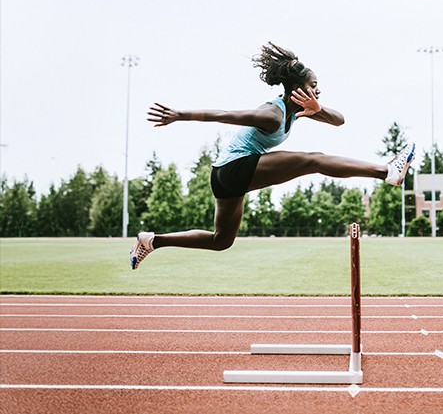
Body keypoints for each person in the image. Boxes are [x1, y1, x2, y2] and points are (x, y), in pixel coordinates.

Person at [130, 42, 414, 270]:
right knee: (312, 159)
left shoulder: (298, 110)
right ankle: (386, 171)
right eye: (314, 85)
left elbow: (339, 121)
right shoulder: (274, 114)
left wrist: (318, 109)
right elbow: (227, 115)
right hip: (233, 168)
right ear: (296, 88)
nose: (318, 90)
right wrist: (180, 115)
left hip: (225, 177)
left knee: (221, 241)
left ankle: (151, 241)